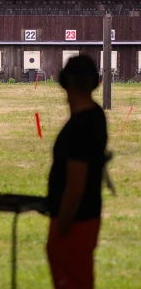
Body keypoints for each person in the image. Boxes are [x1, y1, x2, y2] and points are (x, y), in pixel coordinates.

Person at [46, 55, 108, 289]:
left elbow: (75, 184)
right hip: (85, 217)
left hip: (75, 221)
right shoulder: (95, 115)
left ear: (65, 82)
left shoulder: (81, 126)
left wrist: (62, 223)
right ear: (95, 82)